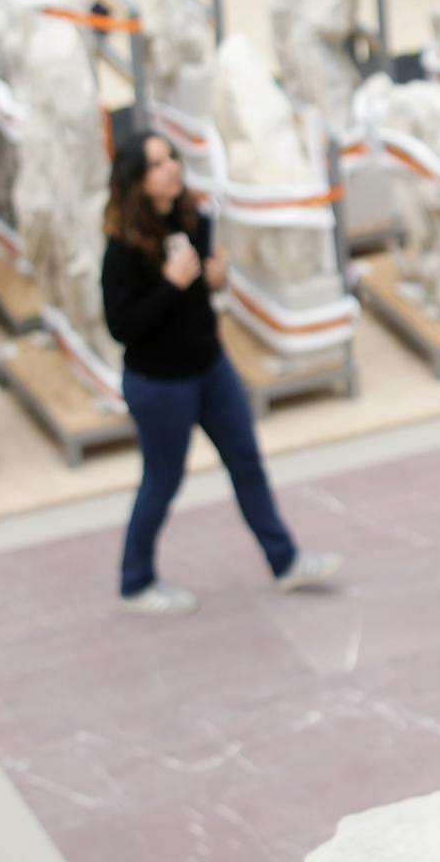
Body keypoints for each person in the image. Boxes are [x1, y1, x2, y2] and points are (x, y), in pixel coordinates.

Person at [100, 133, 340, 614]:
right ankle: (135, 580)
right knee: (163, 479)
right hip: (161, 384)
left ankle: (284, 560)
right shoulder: (123, 251)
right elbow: (123, 327)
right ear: (136, 183)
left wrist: (211, 281)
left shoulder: (193, 220)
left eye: (171, 158)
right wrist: (173, 284)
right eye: (157, 164)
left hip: (210, 368)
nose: (171, 168)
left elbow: (198, 295)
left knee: (246, 461)